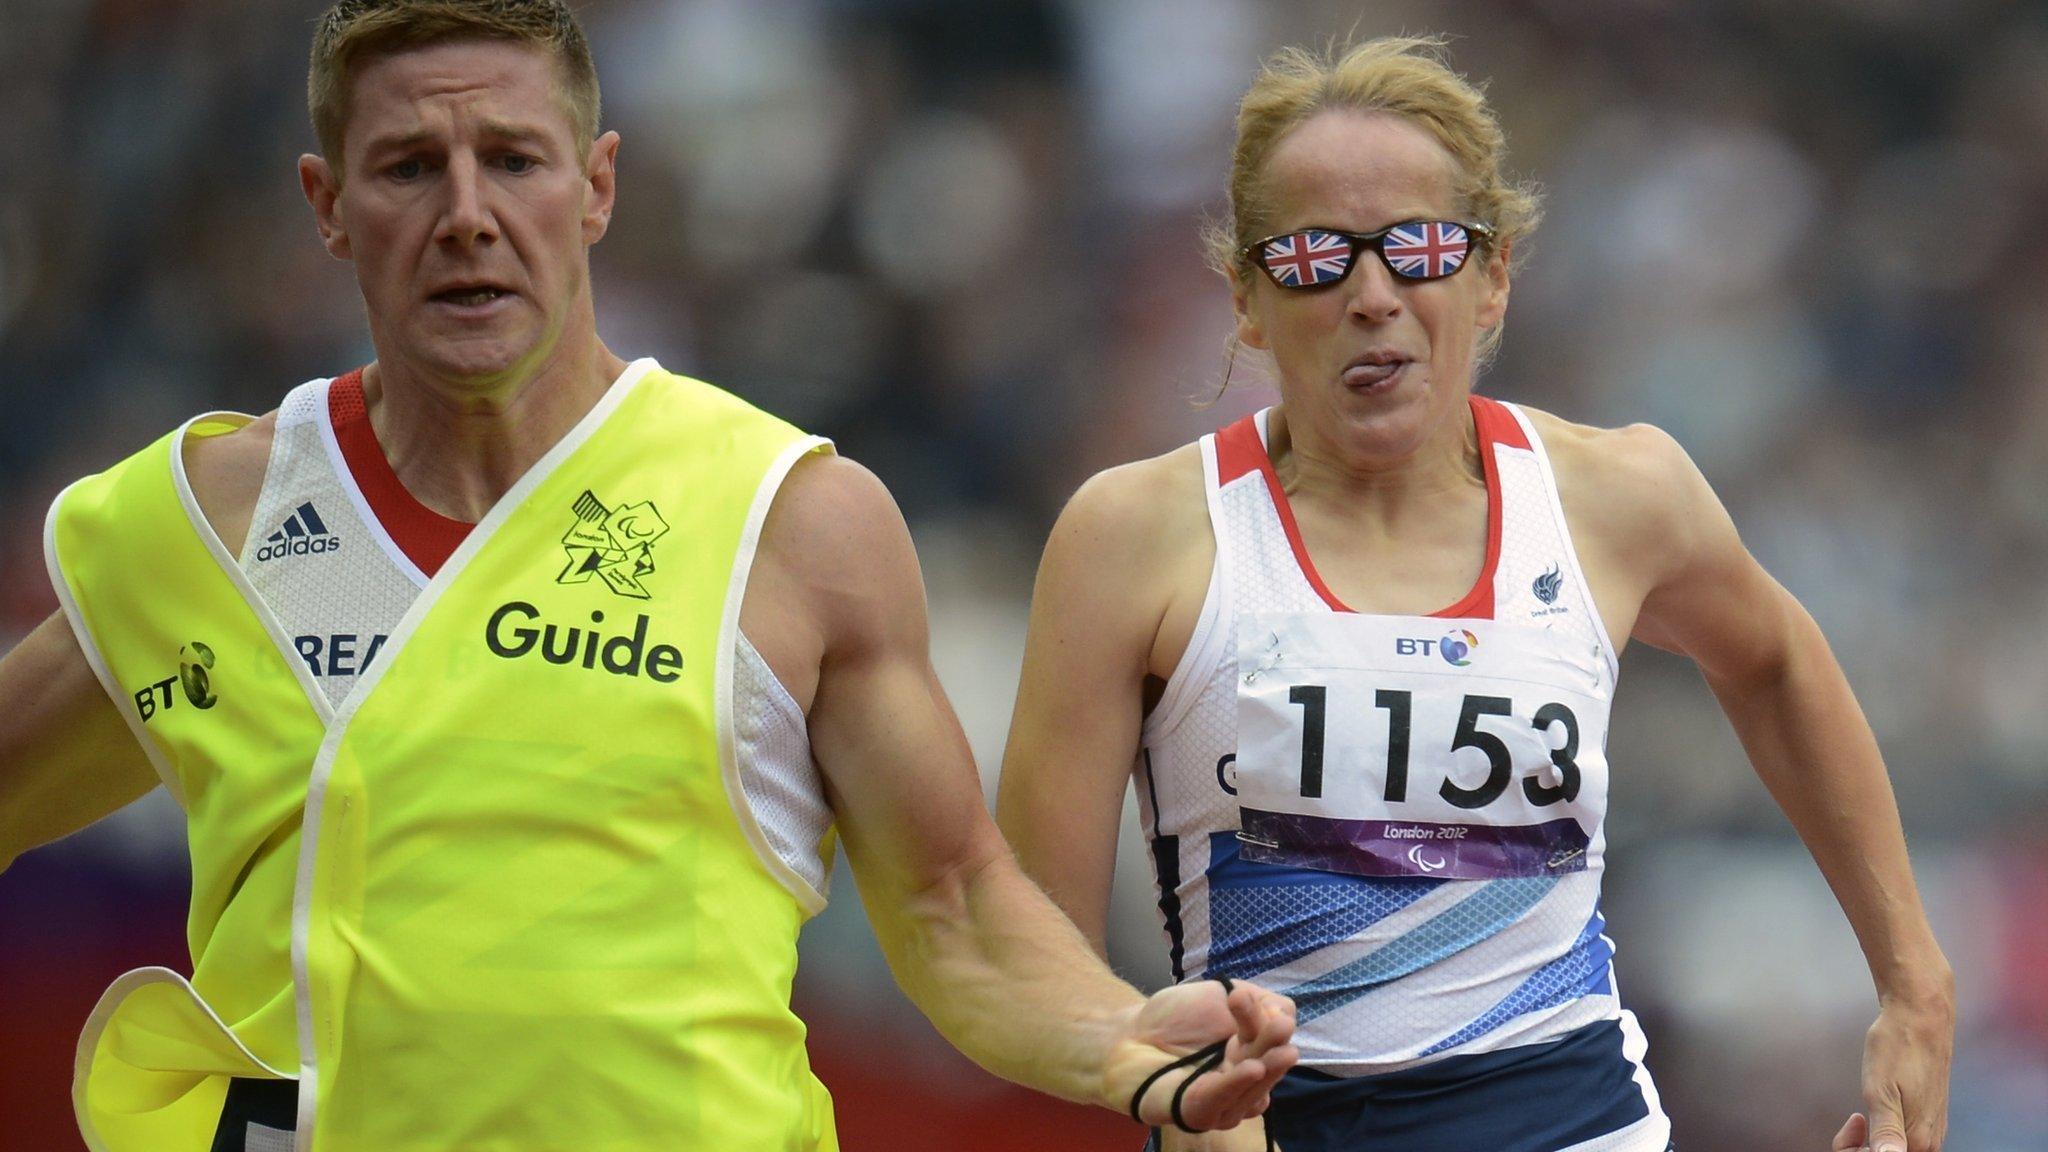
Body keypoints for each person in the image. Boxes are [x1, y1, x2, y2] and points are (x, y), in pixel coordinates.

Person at [0, 3, 1300, 1149]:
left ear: (598, 186)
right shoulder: (211, 526)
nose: (467, 216)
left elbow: (954, 904)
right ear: (329, 205)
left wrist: (1119, 1037)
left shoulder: (788, 522)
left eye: (513, 160)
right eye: (408, 167)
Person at [995, 35, 1952, 1152]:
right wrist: (1157, 1073)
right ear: (1248, 300)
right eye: (1314, 256)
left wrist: (1912, 989)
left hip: (1563, 1111)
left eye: (1417, 248)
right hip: (1269, 1117)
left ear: (1490, 277)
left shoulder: (1614, 498)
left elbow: (1776, 661)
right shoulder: (1135, 537)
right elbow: (1022, 942)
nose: (1370, 295)